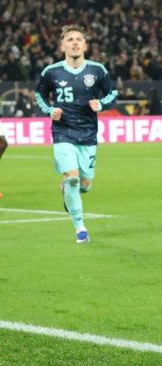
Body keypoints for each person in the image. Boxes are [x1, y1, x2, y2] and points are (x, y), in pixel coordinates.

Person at [34, 25, 118, 243]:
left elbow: (113, 93)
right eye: (69, 39)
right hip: (62, 133)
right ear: (62, 45)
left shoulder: (97, 70)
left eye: (78, 39)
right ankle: (80, 228)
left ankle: (69, 190)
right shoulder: (51, 72)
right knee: (72, 179)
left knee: (84, 185)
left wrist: (101, 103)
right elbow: (40, 95)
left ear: (85, 45)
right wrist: (50, 110)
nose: (74, 42)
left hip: (88, 134)